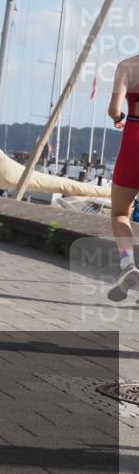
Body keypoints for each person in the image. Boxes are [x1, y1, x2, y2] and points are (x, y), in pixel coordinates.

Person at [106, 54, 139, 301]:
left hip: (133, 141)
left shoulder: (127, 66)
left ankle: (128, 264)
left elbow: (114, 110)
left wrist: (119, 118)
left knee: (120, 213)